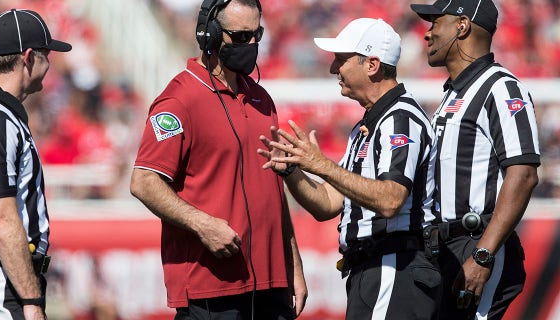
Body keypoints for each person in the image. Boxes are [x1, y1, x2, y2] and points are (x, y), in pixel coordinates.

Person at [129, 0, 307, 319]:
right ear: (209, 34)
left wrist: (292, 262)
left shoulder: (261, 99)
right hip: (212, 287)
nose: (251, 45)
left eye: (257, 35)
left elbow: (273, 190)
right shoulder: (178, 99)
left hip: (271, 285)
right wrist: (202, 224)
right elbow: (144, 181)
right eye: (240, 36)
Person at [259, 18, 441, 319]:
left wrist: (322, 165)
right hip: (372, 270)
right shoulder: (366, 127)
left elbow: (390, 199)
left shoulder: (401, 119)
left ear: (371, 65)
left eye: (341, 60)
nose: (334, 69)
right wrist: (292, 171)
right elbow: (328, 203)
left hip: (396, 266)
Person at [409, 0, 540, 319]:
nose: (427, 34)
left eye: (435, 23)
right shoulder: (454, 94)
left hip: (476, 242)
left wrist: (484, 255)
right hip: (447, 247)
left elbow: (523, 175)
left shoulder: (501, 87)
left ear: (461, 26)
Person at [0, 9, 71, 320]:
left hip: (3, 276)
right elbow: (2, 219)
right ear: (29, 57)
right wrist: (30, 300)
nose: (49, 66)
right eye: (47, 55)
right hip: (0, 279)